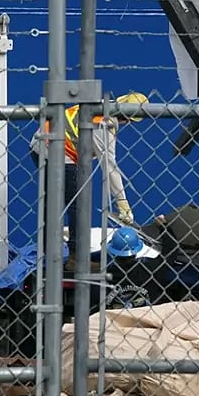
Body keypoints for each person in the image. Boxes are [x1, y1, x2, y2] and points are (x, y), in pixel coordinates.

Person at [32, 91, 149, 269]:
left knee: (55, 204)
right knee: (77, 205)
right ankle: (75, 259)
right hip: (57, 151)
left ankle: (50, 253)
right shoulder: (103, 124)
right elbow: (109, 167)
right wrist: (123, 204)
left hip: (42, 142)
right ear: (129, 119)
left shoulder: (101, 105)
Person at [100, 227, 167, 311]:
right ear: (136, 250)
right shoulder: (150, 268)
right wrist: (164, 226)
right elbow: (169, 254)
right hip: (147, 319)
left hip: (114, 322)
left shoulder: (104, 278)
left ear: (113, 253)